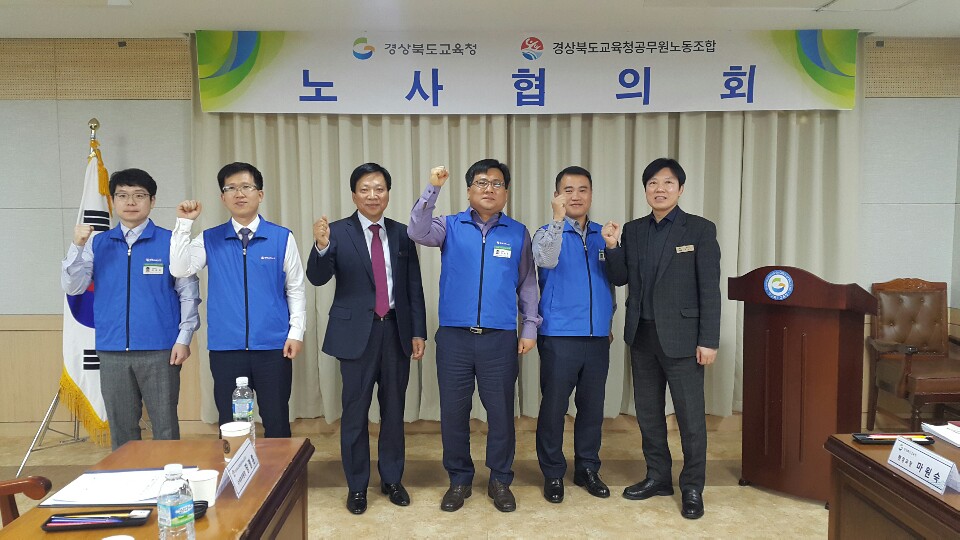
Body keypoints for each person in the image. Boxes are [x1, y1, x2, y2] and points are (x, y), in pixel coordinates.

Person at [407, 159, 541, 513]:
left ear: (505, 193)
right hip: (455, 338)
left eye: (496, 183)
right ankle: (459, 479)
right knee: (454, 413)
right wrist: (433, 188)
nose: (489, 189)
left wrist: (529, 326)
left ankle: (500, 479)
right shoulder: (449, 226)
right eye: (481, 182)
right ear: (469, 190)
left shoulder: (518, 232)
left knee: (501, 414)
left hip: (499, 338)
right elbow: (417, 231)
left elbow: (527, 283)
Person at [603, 157, 721, 520]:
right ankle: (657, 476)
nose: (660, 189)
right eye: (653, 183)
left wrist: (709, 340)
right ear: (645, 190)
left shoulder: (699, 229)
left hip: (684, 339)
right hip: (642, 336)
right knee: (649, 413)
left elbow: (709, 289)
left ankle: (692, 486)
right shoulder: (634, 230)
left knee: (689, 417)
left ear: (680, 189)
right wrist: (612, 246)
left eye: (668, 183)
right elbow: (620, 277)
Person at [306, 163, 427, 515]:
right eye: (365, 189)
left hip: (396, 331)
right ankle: (357, 485)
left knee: (394, 410)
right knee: (355, 412)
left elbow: (414, 287)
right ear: (354, 195)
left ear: (387, 193)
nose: (373, 195)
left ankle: (392, 479)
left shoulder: (402, 233)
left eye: (379, 189)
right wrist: (321, 246)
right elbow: (317, 277)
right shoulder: (337, 232)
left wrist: (417, 330)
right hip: (356, 334)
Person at [61, 168, 200, 450]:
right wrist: (76, 246)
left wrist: (184, 338)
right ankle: (127, 477)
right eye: (122, 195)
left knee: (165, 426)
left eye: (139, 195)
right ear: (112, 201)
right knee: (122, 428)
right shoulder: (97, 243)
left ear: (152, 200)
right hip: (112, 348)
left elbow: (188, 293)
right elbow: (74, 287)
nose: (131, 202)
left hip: (161, 349)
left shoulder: (170, 241)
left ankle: (169, 477)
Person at [170, 162, 306, 438]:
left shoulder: (281, 237)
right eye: (231, 188)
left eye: (246, 187)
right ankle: (236, 468)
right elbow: (180, 268)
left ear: (260, 194)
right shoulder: (209, 239)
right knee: (232, 425)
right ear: (223, 197)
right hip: (226, 348)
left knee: (277, 421)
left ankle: (278, 468)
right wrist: (184, 224)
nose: (239, 193)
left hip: (273, 347)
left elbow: (295, 288)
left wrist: (296, 332)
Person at [533, 166, 614, 504]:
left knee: (592, 408)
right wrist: (557, 220)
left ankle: (587, 468)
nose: (576, 196)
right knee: (554, 408)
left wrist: (608, 322)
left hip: (597, 337)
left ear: (591, 194)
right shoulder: (546, 233)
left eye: (583, 189)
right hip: (559, 335)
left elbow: (612, 280)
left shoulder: (603, 234)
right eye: (568, 190)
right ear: (557, 196)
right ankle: (553, 472)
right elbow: (546, 261)